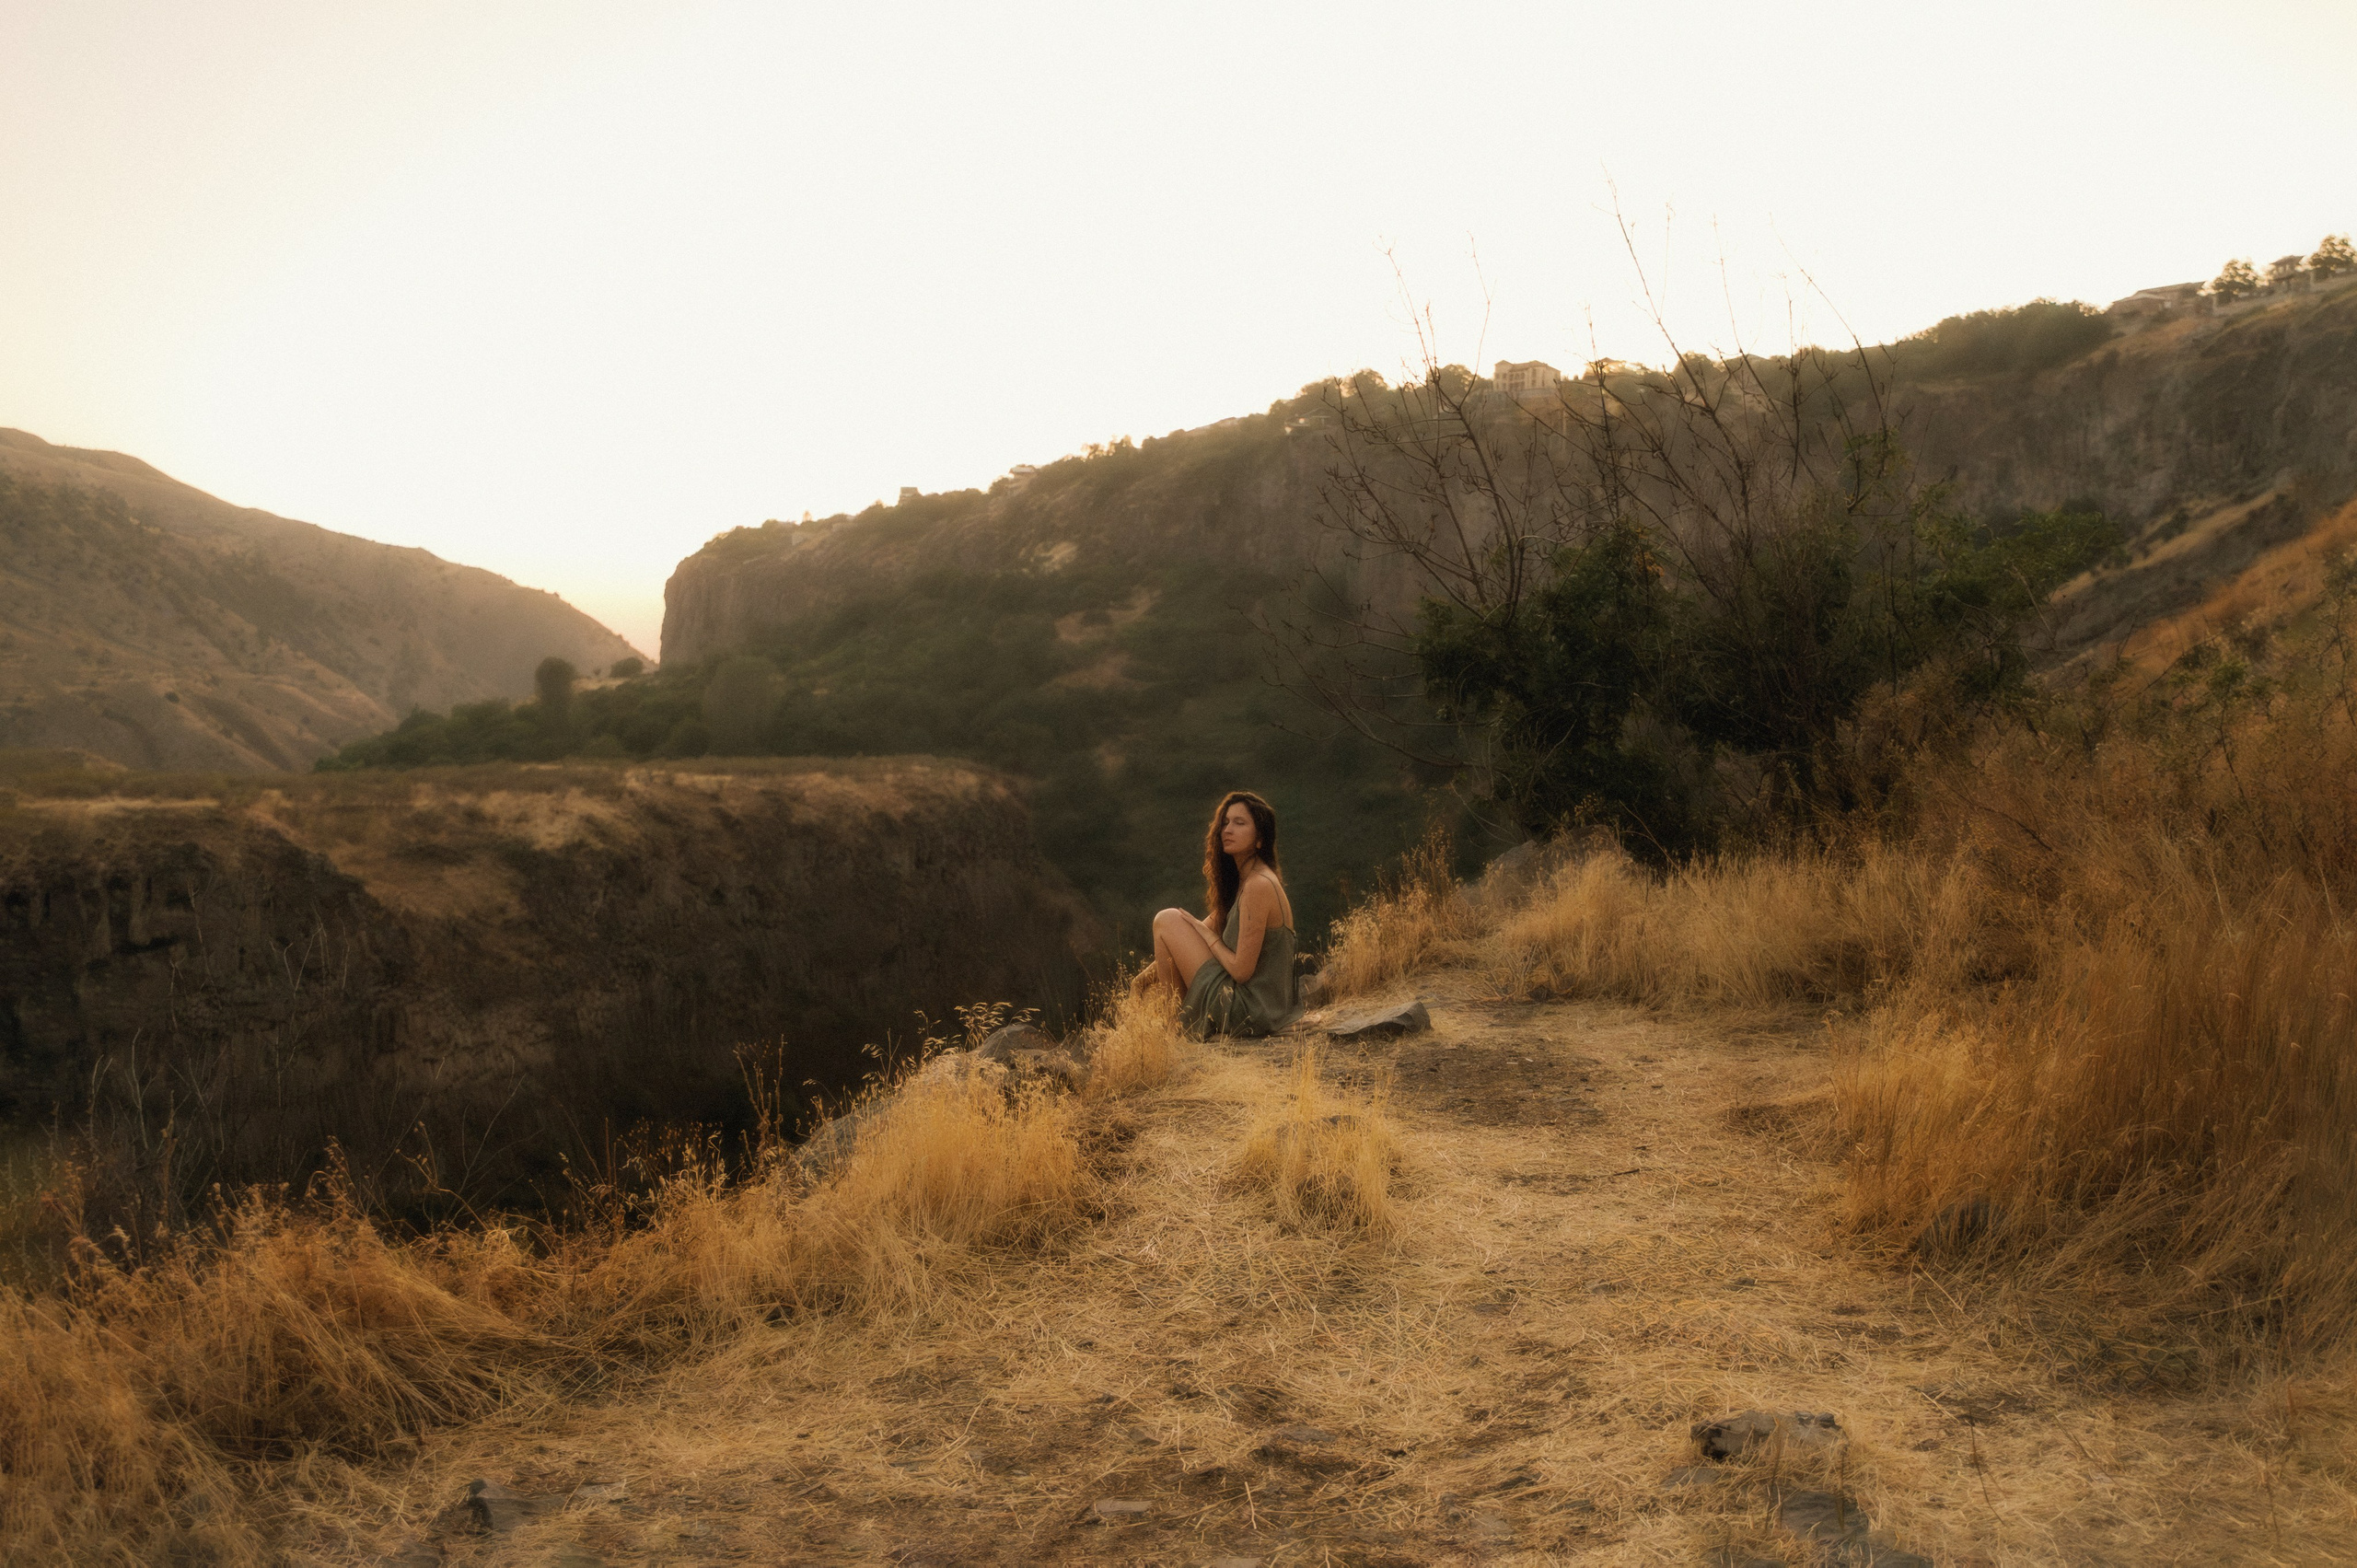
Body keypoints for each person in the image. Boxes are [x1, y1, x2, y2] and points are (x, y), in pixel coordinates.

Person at [1148, 790, 1301, 1038]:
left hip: (1248, 1009)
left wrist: (1210, 939)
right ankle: (1174, 1030)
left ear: (1259, 839)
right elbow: (1182, 941)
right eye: (1226, 823)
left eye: (1239, 823)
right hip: (1255, 1006)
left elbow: (1241, 971)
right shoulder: (1243, 884)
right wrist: (1141, 981)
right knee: (1172, 923)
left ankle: (1172, 1032)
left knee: (1166, 918)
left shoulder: (1258, 885)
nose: (1227, 830)